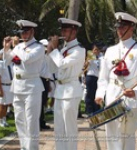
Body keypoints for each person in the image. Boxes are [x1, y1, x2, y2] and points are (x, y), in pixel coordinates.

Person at [95, 12, 137, 150]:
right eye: (118, 27)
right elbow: (103, 76)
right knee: (112, 134)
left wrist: (136, 91)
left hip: (129, 98)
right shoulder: (110, 50)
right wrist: (100, 94)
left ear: (131, 28)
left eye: (122, 27)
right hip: (113, 97)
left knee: (128, 135)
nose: (119, 30)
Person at [3, 19, 45, 150]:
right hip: (18, 86)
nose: (23, 35)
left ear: (32, 31)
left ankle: (32, 148)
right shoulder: (19, 47)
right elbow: (7, 61)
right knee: (19, 120)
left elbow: (27, 59)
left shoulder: (38, 47)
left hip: (32, 86)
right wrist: (6, 48)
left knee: (31, 122)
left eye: (26, 32)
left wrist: (15, 47)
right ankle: (24, 147)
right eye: (21, 33)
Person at [47, 18, 85, 150]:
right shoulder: (63, 50)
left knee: (70, 128)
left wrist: (54, 50)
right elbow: (52, 69)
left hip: (71, 90)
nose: (62, 32)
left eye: (65, 30)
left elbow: (62, 63)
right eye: (62, 30)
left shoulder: (79, 49)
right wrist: (50, 50)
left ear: (74, 31)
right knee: (59, 128)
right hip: (60, 90)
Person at [0, 50, 13, 127]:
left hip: (9, 86)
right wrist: (0, 90)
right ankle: (0, 120)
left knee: (6, 104)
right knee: (2, 104)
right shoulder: (0, 64)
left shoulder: (10, 64)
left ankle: (4, 119)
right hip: (2, 86)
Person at [84, 43, 103, 114]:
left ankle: (97, 110)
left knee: (97, 94)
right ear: (92, 50)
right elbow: (85, 67)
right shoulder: (90, 56)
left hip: (98, 78)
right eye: (95, 49)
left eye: (98, 49)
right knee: (90, 95)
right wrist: (88, 60)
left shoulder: (101, 56)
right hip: (91, 77)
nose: (97, 51)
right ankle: (90, 110)